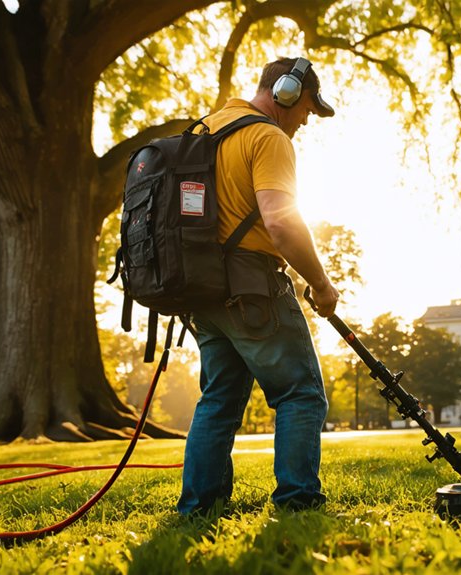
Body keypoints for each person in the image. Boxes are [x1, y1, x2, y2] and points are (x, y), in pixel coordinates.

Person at [177, 57, 340, 515]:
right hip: (252, 288)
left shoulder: (206, 130)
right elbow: (280, 223)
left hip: (203, 291)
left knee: (219, 400)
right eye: (307, 106)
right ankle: (297, 500)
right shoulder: (268, 137)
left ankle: (200, 507)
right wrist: (321, 284)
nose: (307, 119)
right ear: (285, 93)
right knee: (300, 393)